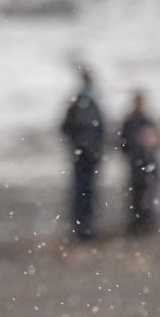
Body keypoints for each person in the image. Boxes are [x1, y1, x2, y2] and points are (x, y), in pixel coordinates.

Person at [58, 67, 106, 241]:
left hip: (90, 157)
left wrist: (96, 150)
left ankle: (87, 227)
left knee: (89, 193)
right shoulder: (80, 104)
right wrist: (78, 145)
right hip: (82, 157)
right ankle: (80, 228)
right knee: (81, 192)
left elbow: (101, 131)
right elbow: (65, 129)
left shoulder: (92, 105)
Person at [118, 91, 160, 237]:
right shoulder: (130, 121)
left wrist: (153, 141)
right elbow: (121, 143)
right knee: (135, 196)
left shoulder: (148, 120)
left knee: (148, 195)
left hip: (148, 163)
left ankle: (146, 223)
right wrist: (135, 145)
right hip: (135, 164)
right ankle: (136, 224)